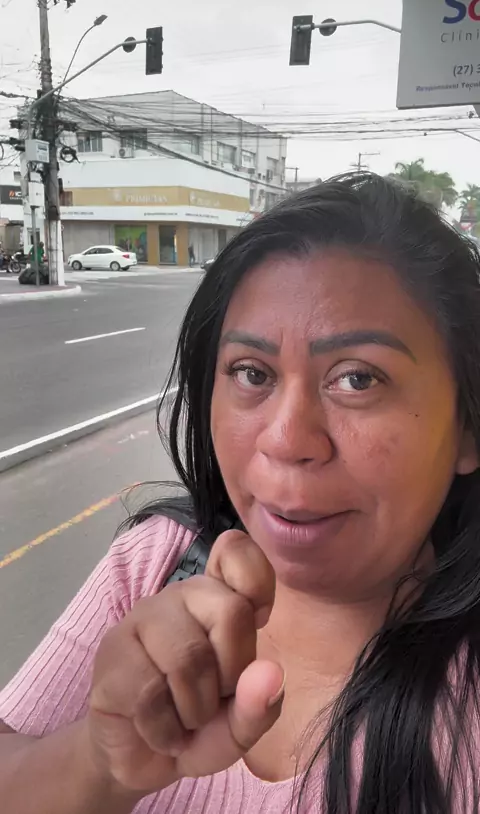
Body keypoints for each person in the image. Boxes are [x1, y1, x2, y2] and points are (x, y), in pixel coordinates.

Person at [1, 172, 480, 813]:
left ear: (467, 425)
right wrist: (98, 762)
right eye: (252, 373)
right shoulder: (155, 564)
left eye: (358, 379)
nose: (286, 440)